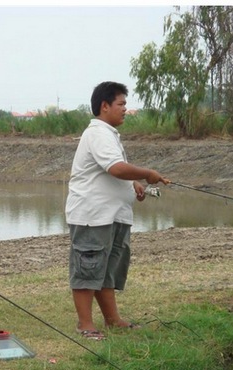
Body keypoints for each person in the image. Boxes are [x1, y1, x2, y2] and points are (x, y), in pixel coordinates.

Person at [65, 81, 170, 341]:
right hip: (93, 216)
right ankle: (85, 324)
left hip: (112, 216)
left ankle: (112, 320)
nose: (125, 109)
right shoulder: (98, 133)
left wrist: (134, 184)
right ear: (105, 106)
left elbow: (114, 171)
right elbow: (115, 168)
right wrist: (147, 174)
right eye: (121, 104)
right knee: (88, 268)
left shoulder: (109, 134)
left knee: (107, 270)